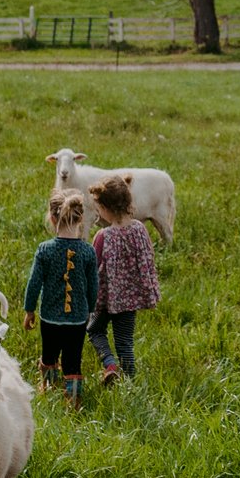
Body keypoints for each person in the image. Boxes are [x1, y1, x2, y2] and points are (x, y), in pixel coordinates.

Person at [86, 173, 162, 384]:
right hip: (131, 300)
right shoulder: (140, 229)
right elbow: (148, 258)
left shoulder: (103, 236)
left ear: (106, 208)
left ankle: (110, 365)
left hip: (107, 300)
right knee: (125, 342)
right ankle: (130, 381)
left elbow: (92, 268)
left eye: (99, 208)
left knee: (94, 330)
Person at [24, 191, 97, 405]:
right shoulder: (87, 251)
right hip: (78, 319)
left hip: (49, 318)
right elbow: (94, 286)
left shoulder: (45, 249)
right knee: (73, 360)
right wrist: (90, 309)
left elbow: (34, 283)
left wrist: (29, 310)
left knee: (49, 355)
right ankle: (73, 399)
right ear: (81, 218)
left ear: (52, 218)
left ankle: (48, 387)